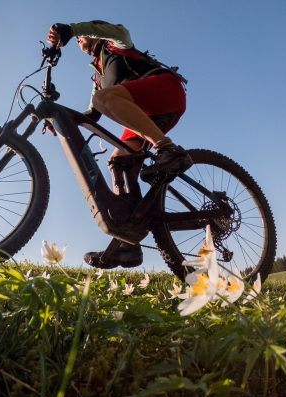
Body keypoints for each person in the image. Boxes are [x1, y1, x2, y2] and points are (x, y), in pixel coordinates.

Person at [47, 20, 193, 269]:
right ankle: (128, 242)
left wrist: (72, 29)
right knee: (118, 161)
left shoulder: (116, 44)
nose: (80, 41)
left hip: (165, 91)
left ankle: (167, 149)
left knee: (105, 98)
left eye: (84, 36)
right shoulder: (99, 78)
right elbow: (91, 115)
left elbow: (117, 30)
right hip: (147, 117)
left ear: (93, 35)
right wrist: (57, 120)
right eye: (79, 37)